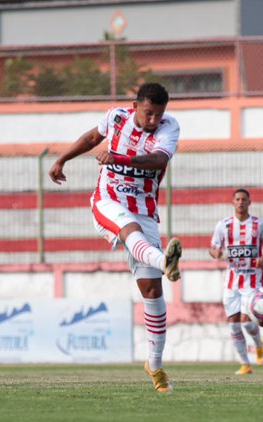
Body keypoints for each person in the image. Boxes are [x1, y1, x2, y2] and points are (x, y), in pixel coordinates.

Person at [49, 82, 182, 394]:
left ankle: (155, 365)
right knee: (130, 233)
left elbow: (159, 160)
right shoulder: (116, 117)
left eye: (158, 114)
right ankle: (165, 260)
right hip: (108, 201)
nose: (153, 120)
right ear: (135, 106)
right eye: (149, 113)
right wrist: (62, 159)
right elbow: (92, 138)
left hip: (145, 209)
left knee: (152, 291)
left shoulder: (169, 127)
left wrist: (119, 159)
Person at [209, 188, 263, 375]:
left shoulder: (260, 225)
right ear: (233, 202)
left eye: (244, 199)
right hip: (231, 283)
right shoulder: (223, 225)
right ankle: (245, 364)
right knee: (233, 324)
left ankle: (258, 345)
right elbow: (213, 248)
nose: (240, 202)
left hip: (252, 282)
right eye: (237, 199)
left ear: (249, 202)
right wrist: (216, 253)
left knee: (246, 322)